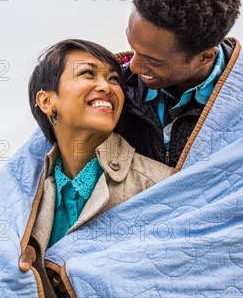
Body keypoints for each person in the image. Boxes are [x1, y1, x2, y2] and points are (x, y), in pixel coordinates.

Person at [0, 0, 243, 297]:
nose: (132, 65)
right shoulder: (117, 89)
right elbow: (27, 171)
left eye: (153, 60)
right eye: (132, 46)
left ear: (205, 56)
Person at [24, 39, 173, 297]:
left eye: (114, 80)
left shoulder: (159, 184)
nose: (106, 86)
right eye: (87, 74)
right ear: (47, 101)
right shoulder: (23, 199)